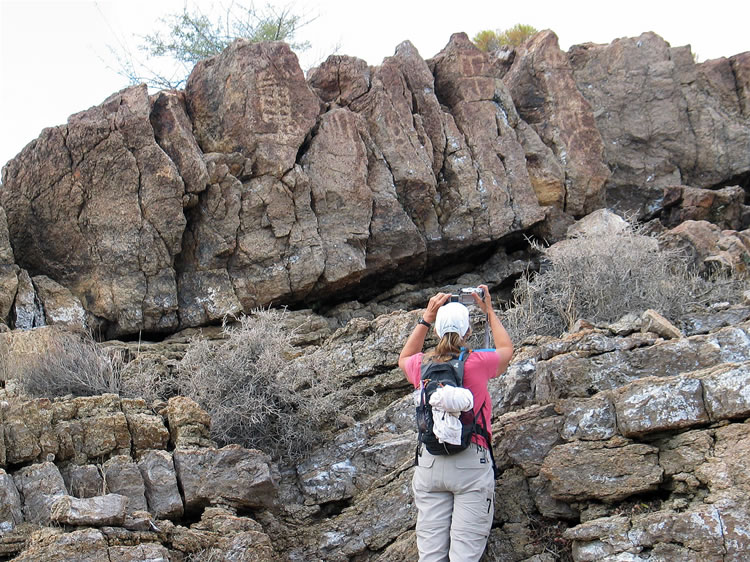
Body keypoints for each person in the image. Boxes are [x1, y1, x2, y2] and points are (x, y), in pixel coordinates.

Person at [398, 284, 513, 561]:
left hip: (430, 463)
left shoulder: (420, 366)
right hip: (471, 463)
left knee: (431, 557)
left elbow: (403, 358)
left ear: (436, 331)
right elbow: (506, 349)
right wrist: (489, 311)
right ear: (468, 332)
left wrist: (426, 317)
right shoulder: (478, 363)